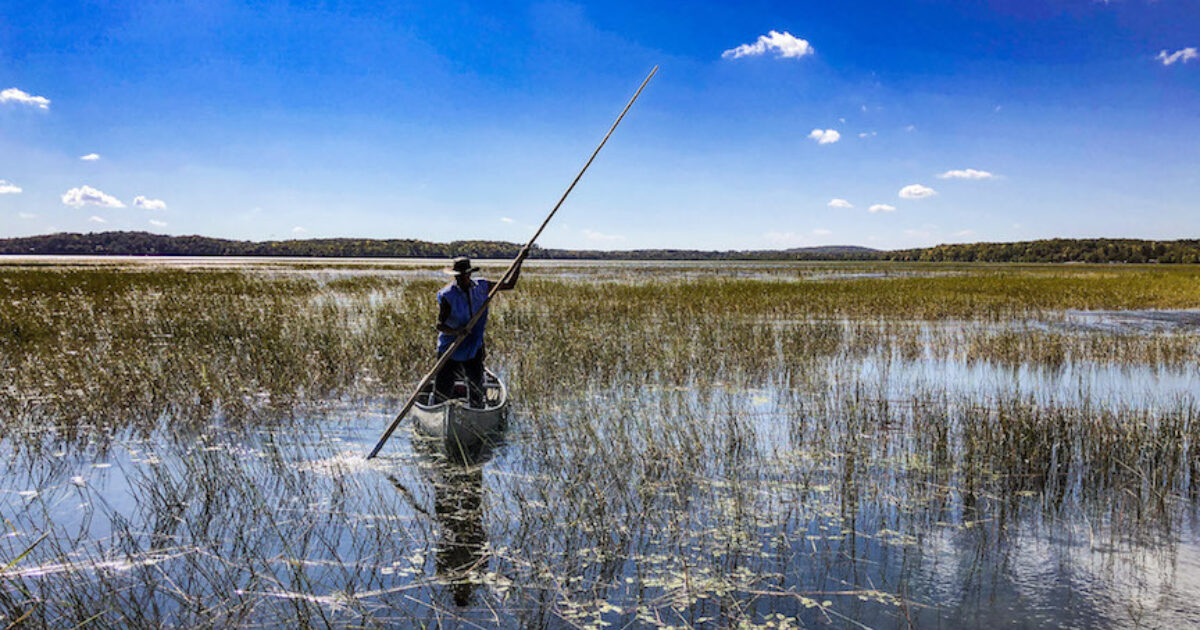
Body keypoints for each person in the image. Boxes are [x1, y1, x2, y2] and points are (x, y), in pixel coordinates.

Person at [434, 249, 527, 406]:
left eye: (464, 275)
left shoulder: (482, 287)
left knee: (476, 387)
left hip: (472, 346)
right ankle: (438, 408)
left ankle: (477, 411)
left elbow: (509, 285)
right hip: (450, 347)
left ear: (469, 274)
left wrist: (519, 262)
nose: (461, 278)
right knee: (443, 388)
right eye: (458, 276)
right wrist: (457, 331)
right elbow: (440, 325)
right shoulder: (447, 295)